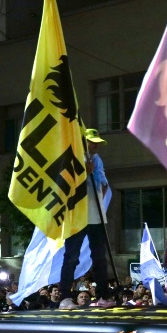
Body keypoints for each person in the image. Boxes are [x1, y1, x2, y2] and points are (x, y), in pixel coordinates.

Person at [59, 128, 110, 300]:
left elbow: (103, 184)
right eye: (92, 142)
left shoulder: (98, 160)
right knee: (72, 256)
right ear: (83, 142)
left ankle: (103, 296)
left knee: (99, 257)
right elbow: (66, 185)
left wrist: (100, 206)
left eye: (97, 143)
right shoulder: (73, 159)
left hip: (96, 216)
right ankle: (65, 297)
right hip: (77, 216)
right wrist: (84, 172)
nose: (95, 146)